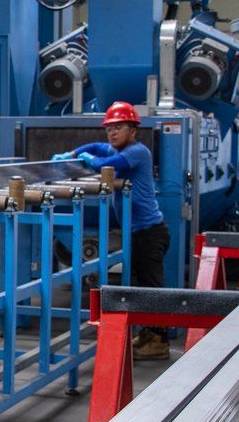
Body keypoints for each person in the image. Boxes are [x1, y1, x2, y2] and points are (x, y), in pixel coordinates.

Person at [61, 101, 171, 360]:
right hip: (138, 233)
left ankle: (159, 342)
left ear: (133, 130)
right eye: (109, 128)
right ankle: (147, 335)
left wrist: (86, 160)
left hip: (150, 232)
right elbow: (95, 147)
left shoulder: (137, 152)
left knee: (151, 287)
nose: (112, 133)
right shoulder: (116, 146)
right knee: (140, 286)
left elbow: (104, 163)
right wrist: (72, 153)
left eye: (118, 128)